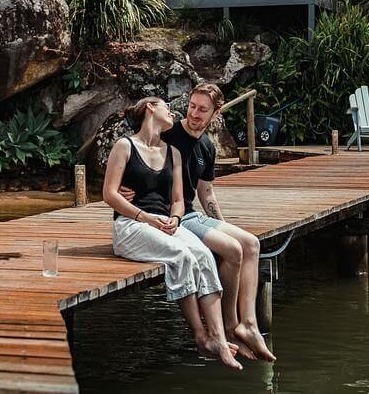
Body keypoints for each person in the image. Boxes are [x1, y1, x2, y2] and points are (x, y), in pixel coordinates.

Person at [122, 83, 276, 362]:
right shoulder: (169, 132)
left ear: (215, 114)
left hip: (192, 214)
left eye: (202, 109)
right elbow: (136, 148)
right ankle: (230, 325)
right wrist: (125, 185)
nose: (194, 113)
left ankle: (249, 324)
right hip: (170, 216)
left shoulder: (207, 146)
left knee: (250, 243)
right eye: (192, 106)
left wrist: (222, 226)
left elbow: (206, 193)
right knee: (233, 250)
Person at [102, 96, 242, 371]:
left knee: (202, 254)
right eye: (168, 106)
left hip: (166, 222)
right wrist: (145, 216)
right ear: (151, 108)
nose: (174, 111)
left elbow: (178, 199)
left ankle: (219, 338)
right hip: (131, 227)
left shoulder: (173, 152)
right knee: (181, 255)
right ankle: (200, 336)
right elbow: (109, 194)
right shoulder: (125, 146)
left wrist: (176, 218)